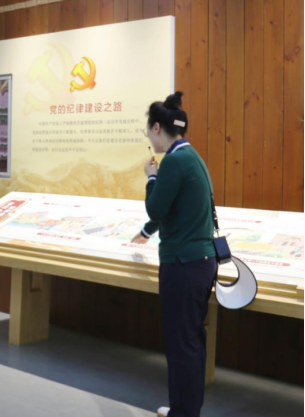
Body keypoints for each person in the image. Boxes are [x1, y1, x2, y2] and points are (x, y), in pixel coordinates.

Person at [132, 92, 218, 417]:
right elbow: (172, 210)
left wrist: (151, 178)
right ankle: (186, 409)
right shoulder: (193, 157)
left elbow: (156, 207)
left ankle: (183, 412)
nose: (147, 135)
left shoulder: (173, 161)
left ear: (157, 127)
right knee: (191, 341)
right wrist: (146, 232)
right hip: (200, 262)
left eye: (147, 129)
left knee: (181, 344)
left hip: (182, 264)